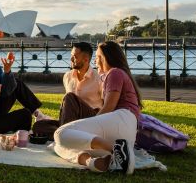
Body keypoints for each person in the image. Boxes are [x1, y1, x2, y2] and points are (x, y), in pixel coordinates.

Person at [54, 41, 143, 174]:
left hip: (121, 121)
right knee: (60, 146)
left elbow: (108, 107)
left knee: (59, 134)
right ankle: (93, 162)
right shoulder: (116, 74)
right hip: (123, 131)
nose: (94, 61)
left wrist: (88, 123)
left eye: (97, 57)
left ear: (106, 58)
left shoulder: (115, 73)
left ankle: (115, 149)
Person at [32, 42, 102, 138]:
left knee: (69, 97)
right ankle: (68, 134)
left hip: (90, 119)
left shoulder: (98, 78)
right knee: (38, 126)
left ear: (86, 59)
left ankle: (65, 135)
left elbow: (107, 105)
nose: (71, 59)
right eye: (71, 56)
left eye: (75, 57)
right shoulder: (67, 76)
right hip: (71, 120)